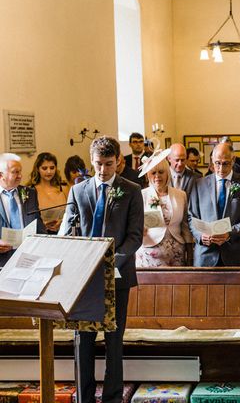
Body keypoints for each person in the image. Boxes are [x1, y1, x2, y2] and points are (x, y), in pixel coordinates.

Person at [63, 136, 144, 403]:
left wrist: (110, 262)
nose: (102, 171)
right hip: (84, 278)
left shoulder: (131, 190)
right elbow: (69, 230)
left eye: (109, 164)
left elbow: (134, 237)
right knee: (83, 341)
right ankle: (84, 398)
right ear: (91, 161)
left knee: (113, 340)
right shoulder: (78, 191)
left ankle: (112, 398)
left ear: (118, 162)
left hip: (117, 276)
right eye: (98, 164)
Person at [189, 143, 240, 267]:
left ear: (233, 160)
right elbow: (191, 217)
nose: (221, 168)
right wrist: (200, 236)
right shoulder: (198, 184)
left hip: (235, 253)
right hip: (205, 254)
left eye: (225, 163)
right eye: (217, 163)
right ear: (212, 161)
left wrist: (230, 233)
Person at [136, 149, 191, 267]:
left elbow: (185, 226)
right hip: (150, 253)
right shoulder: (141, 195)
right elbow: (134, 224)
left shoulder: (181, 195)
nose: (157, 176)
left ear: (167, 173)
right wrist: (140, 228)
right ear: (147, 175)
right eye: (153, 172)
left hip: (176, 253)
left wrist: (190, 253)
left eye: (161, 172)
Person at [0, 153, 45, 267]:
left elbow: (38, 224)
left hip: (29, 257)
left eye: (20, 171)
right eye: (15, 172)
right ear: (1, 175)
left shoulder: (30, 193)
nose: (20, 176)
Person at [26, 152, 69, 234]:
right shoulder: (31, 191)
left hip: (63, 233)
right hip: (42, 235)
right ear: (38, 169)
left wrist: (62, 222)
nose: (49, 172)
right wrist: (42, 225)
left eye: (52, 168)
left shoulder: (64, 188)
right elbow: (27, 219)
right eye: (44, 168)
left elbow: (72, 213)